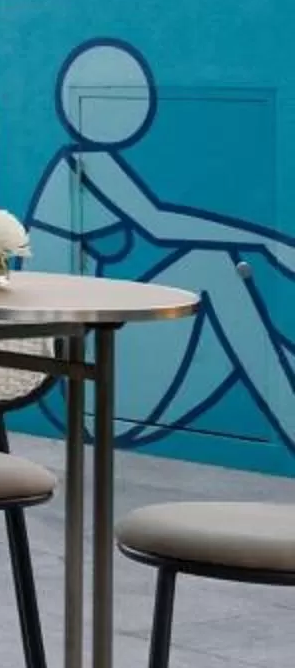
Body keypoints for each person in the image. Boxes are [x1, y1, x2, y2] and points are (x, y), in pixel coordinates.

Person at [27, 39, 295, 453]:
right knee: (213, 268)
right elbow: (159, 224)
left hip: (82, 365)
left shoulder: (85, 161)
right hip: (72, 383)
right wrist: (262, 241)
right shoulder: (87, 162)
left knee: (249, 331)